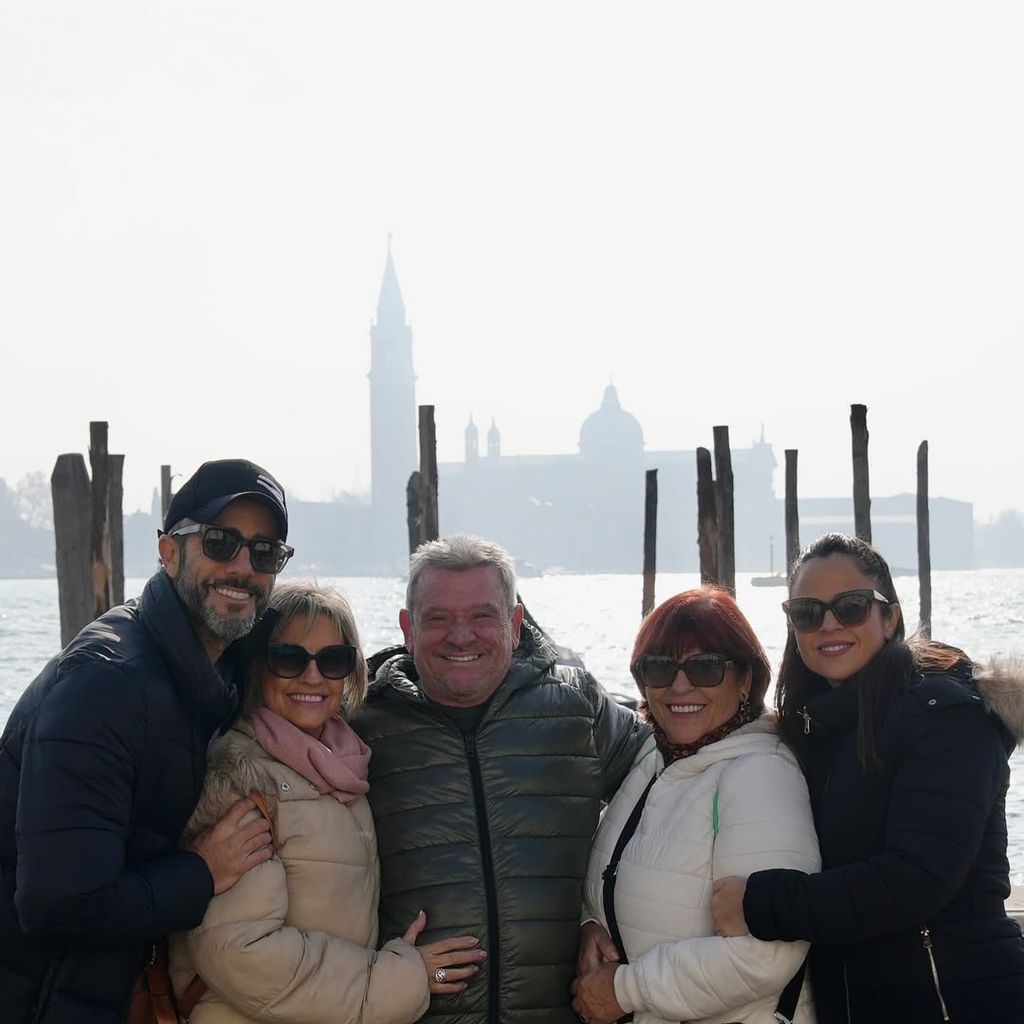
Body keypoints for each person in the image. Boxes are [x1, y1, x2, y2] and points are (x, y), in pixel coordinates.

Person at [0, 458, 292, 1023]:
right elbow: (58, 900)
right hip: (38, 998)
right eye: (220, 541)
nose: (241, 567)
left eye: (264, 553)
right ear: (168, 552)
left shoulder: (222, 663)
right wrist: (203, 871)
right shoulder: (107, 686)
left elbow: (315, 647)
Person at [711, 532, 1024, 1024]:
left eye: (852, 606)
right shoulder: (819, 726)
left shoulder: (943, 716)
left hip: (952, 997)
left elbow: (915, 879)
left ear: (890, 615)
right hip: (858, 1001)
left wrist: (759, 903)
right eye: (808, 612)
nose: (829, 624)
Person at [350, 534, 648, 1024]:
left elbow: (664, 794)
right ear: (407, 627)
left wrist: (599, 911)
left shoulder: (576, 708)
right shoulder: (361, 726)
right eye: (438, 618)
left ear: (513, 623)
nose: (461, 636)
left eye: (483, 617)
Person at [169, 580, 485, 1022]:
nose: (312, 676)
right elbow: (242, 953)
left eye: (333, 660)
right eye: (289, 658)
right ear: (257, 665)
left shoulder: (342, 767)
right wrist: (401, 978)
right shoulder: (242, 779)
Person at [570, 586, 820, 1024]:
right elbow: (616, 873)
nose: (680, 685)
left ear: (745, 678)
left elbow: (764, 957)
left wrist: (625, 990)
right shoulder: (655, 758)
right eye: (660, 668)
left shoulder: (759, 775)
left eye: (705, 667)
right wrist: (592, 925)